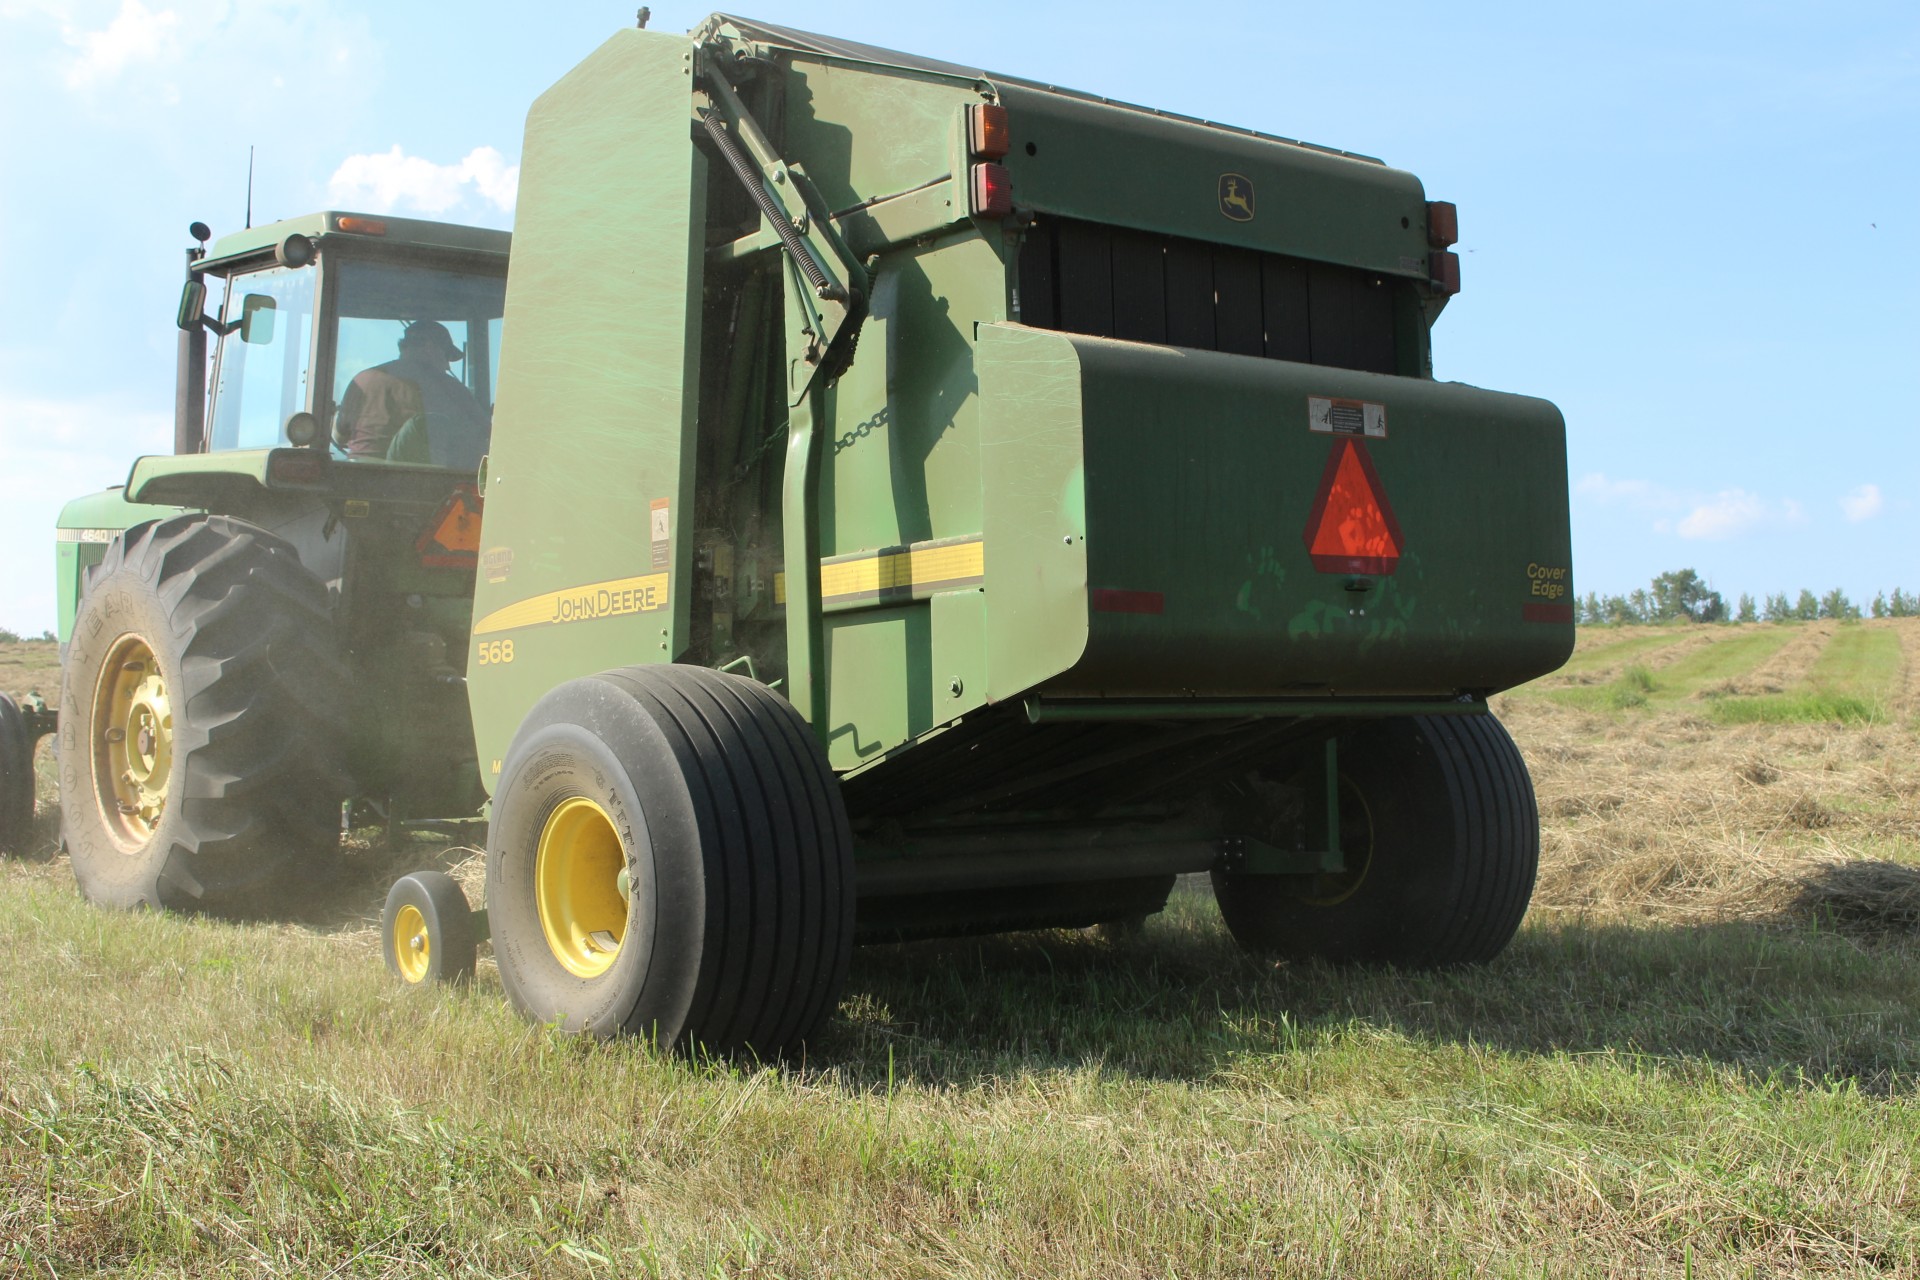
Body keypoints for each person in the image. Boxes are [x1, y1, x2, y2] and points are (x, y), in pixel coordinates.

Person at [333, 320, 491, 470]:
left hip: (358, 476)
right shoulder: (451, 388)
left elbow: (339, 437)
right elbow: (484, 435)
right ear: (430, 347)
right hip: (420, 481)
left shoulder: (363, 379)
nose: (448, 365)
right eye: (447, 356)